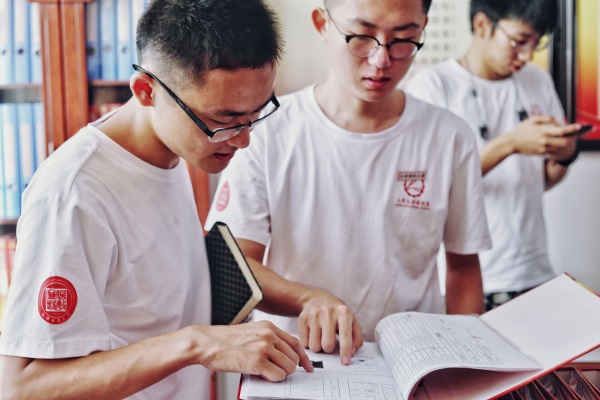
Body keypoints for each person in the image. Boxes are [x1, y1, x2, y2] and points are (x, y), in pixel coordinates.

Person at [0, 1, 315, 398]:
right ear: (147, 91)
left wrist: (305, 299)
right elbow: (21, 387)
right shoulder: (73, 196)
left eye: (255, 114)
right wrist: (197, 344)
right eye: (223, 121)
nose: (243, 140)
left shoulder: (172, 151)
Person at [205, 0, 491, 360]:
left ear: (423, 30)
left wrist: (466, 364)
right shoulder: (265, 132)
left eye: (403, 39)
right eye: (361, 36)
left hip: (417, 361)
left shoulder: (449, 137)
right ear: (322, 24)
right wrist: (307, 298)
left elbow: (463, 268)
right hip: (299, 363)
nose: (381, 59)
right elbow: (234, 264)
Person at [405, 0, 582, 311]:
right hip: (468, 279)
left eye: (536, 43)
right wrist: (511, 143)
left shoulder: (536, 80)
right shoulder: (434, 86)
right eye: (519, 41)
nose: (527, 55)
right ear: (483, 25)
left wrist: (564, 156)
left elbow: (542, 180)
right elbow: (429, 188)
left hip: (535, 272)